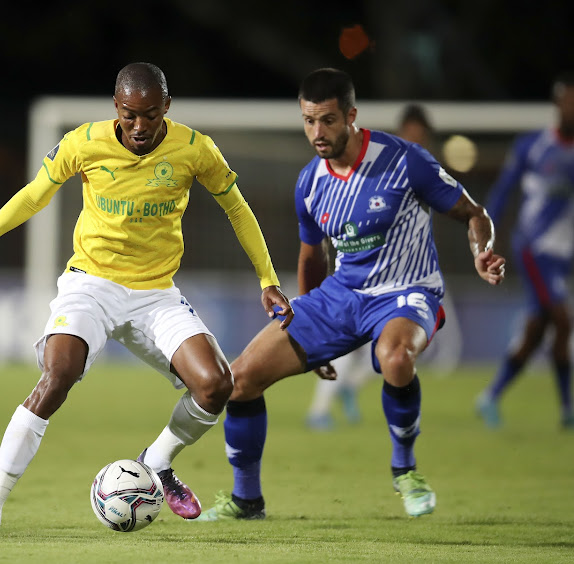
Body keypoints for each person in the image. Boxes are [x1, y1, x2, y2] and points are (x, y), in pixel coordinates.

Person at [0, 62, 293, 537]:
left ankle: (156, 463)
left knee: (216, 386)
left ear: (167, 106)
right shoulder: (83, 142)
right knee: (58, 375)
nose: (138, 126)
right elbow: (34, 195)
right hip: (90, 284)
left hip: (156, 293)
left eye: (149, 115)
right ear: (115, 108)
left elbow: (237, 209)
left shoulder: (195, 149)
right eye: (128, 114)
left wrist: (267, 278)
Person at [194, 67, 505, 521]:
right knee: (238, 381)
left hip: (407, 289)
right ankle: (247, 500)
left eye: (328, 121)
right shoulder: (310, 182)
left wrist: (483, 252)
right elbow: (312, 258)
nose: (317, 132)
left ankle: (406, 471)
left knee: (395, 359)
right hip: (342, 296)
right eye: (308, 121)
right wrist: (307, 330)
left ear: (351, 115)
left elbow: (473, 214)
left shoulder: (405, 160)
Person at [304, 102, 462, 431]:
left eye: (422, 138)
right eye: (411, 136)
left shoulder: (421, 169)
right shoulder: (381, 168)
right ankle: (320, 408)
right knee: (349, 344)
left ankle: (350, 391)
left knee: (395, 352)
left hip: (408, 280)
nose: (416, 143)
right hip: (363, 280)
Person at [476, 72, 574, 430]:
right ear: (557, 104)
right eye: (568, 100)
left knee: (537, 329)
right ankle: (567, 409)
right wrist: (490, 234)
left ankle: (491, 396)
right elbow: (502, 191)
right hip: (534, 248)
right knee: (563, 320)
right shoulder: (533, 145)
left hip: (564, 254)